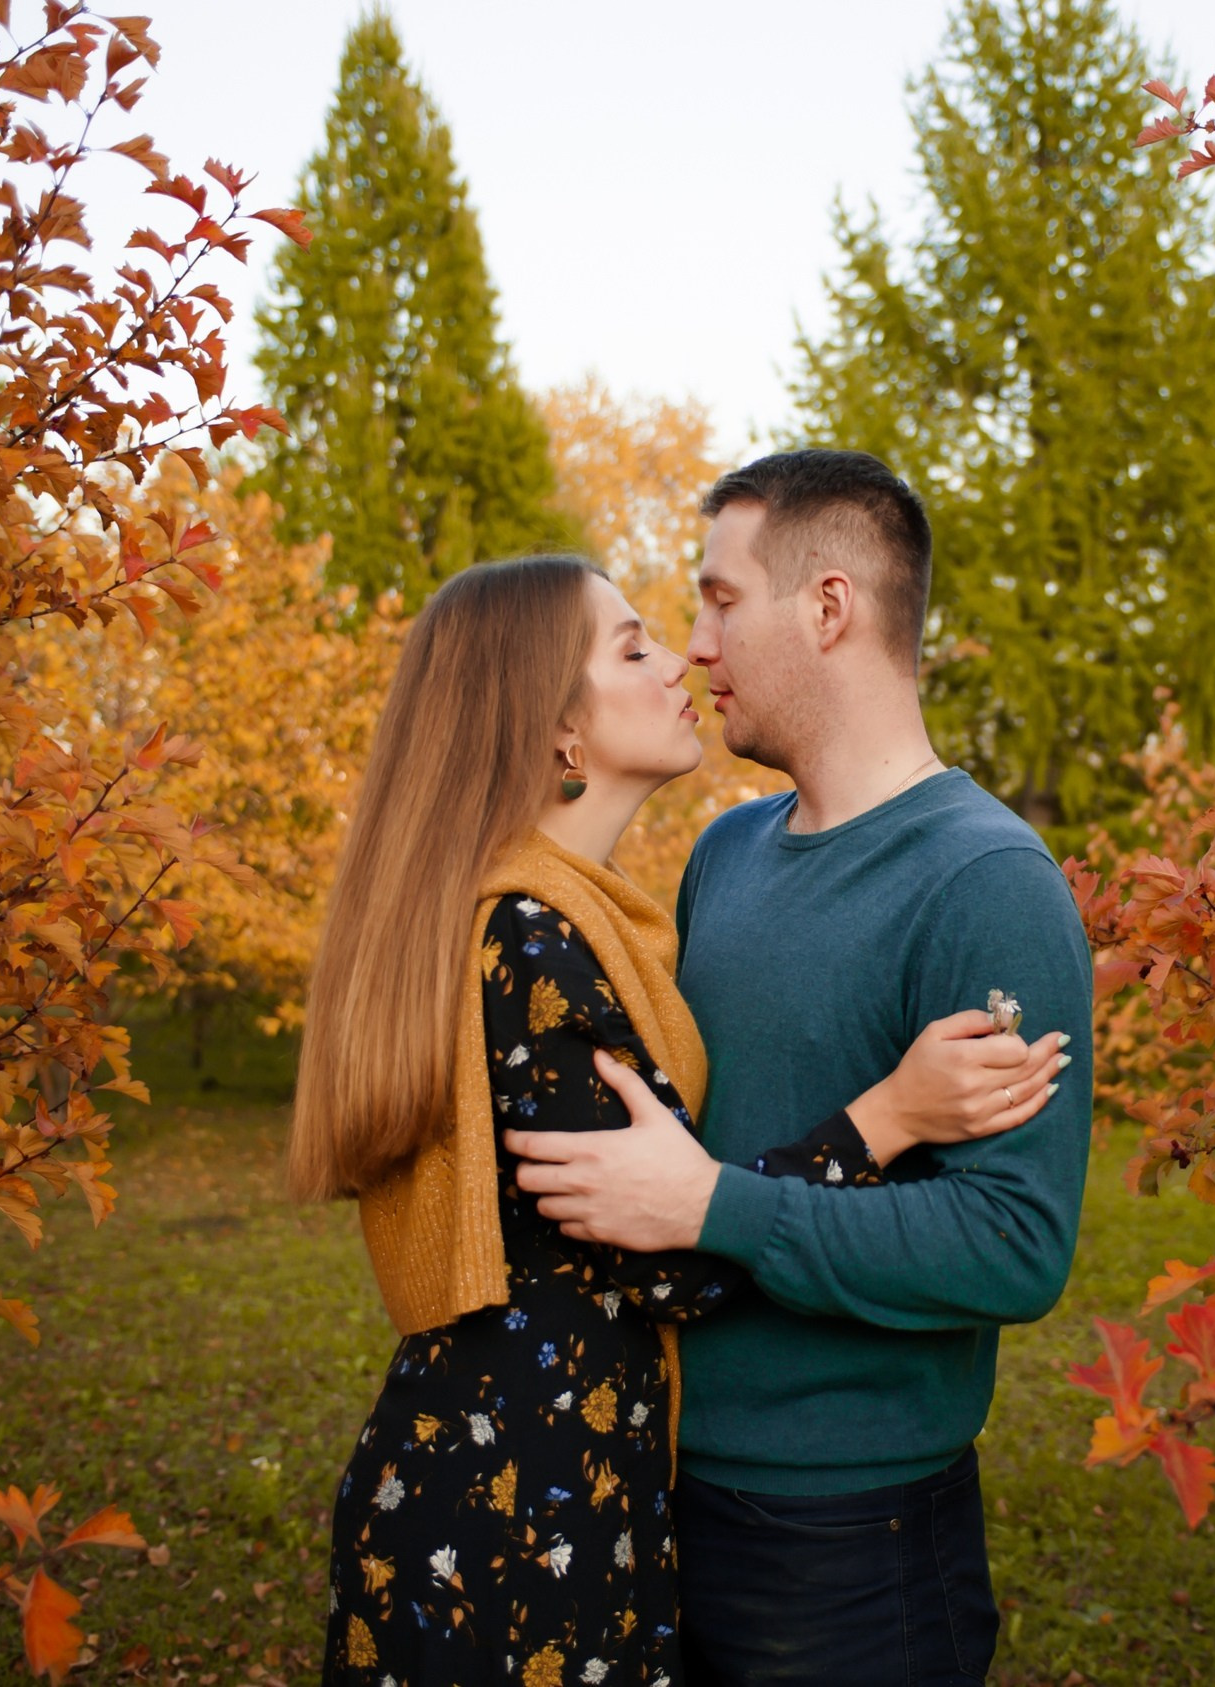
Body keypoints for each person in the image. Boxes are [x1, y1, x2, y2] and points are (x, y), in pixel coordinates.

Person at [288, 552, 1070, 1687]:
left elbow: (688, 1204)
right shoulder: (535, 946)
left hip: (561, 1485)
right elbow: (666, 1250)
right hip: (522, 1514)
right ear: (558, 729)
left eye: (709, 608)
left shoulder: (589, 924)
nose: (683, 658)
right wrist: (885, 1115)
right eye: (635, 645)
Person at [505, 452, 1096, 1687]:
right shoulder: (725, 852)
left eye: (720, 600)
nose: (695, 644)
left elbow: (1013, 1244)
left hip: (851, 1547)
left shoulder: (987, 880)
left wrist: (716, 1207)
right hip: (654, 1490)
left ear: (828, 607)